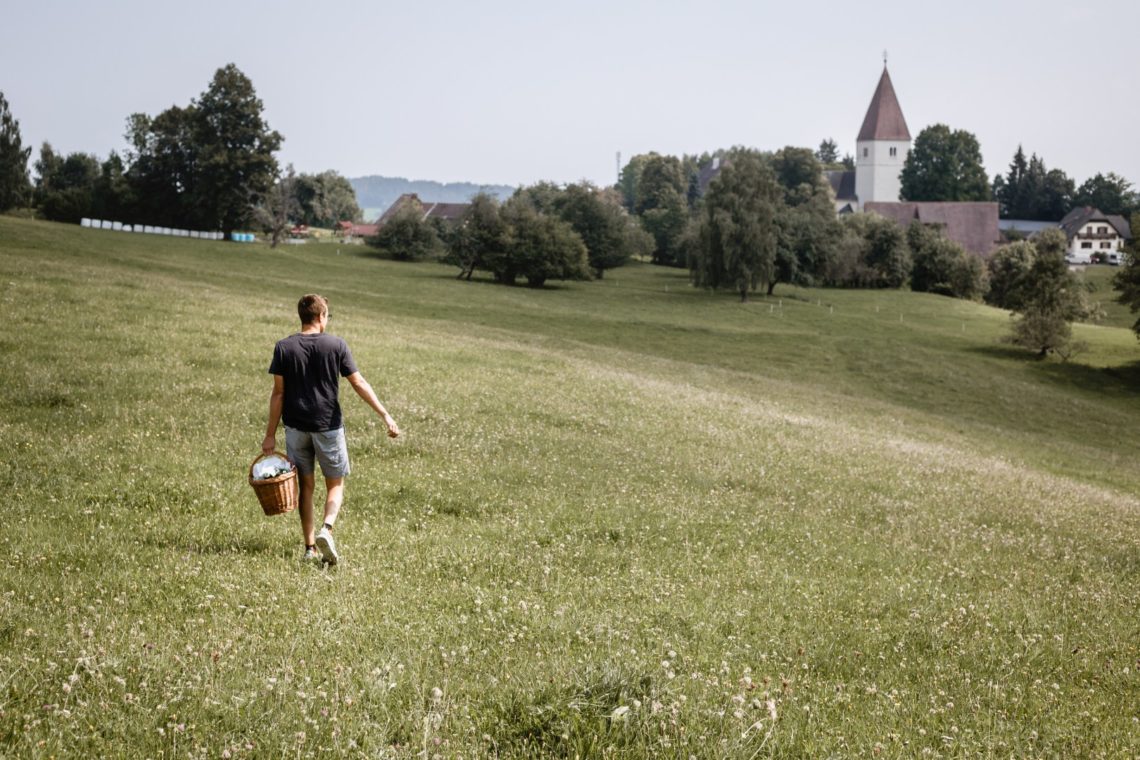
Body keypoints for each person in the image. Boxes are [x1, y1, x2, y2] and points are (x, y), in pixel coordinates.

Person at [262, 294, 400, 565]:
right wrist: (385, 415)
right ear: (322, 316)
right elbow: (358, 382)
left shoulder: (284, 347)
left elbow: (278, 394)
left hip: (295, 427)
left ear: (302, 317)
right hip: (328, 426)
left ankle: (310, 548)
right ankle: (327, 528)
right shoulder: (336, 345)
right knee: (335, 483)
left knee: (306, 486)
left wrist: (269, 435)